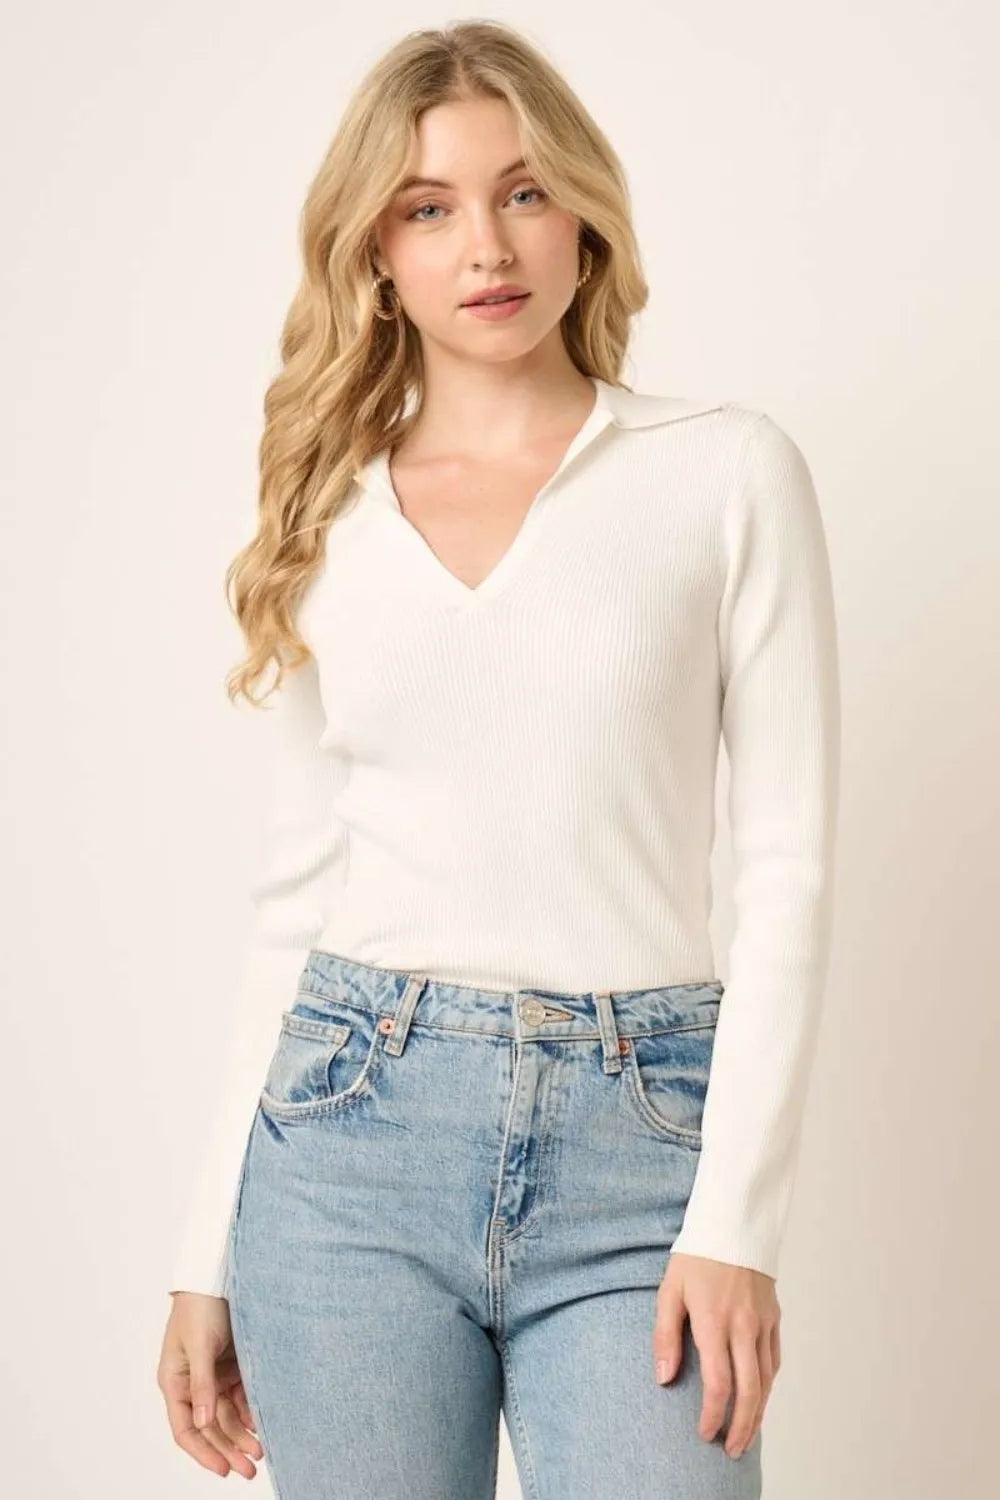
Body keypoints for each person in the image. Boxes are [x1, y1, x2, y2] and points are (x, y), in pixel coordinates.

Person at [155, 19, 840, 1499]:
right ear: (376, 254)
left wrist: (738, 1222)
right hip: (348, 1146)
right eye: (430, 207)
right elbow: (297, 892)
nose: (487, 244)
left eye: (524, 191)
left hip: (641, 1146)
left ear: (584, 216)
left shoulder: (725, 472)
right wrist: (202, 1252)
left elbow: (787, 872)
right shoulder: (328, 518)